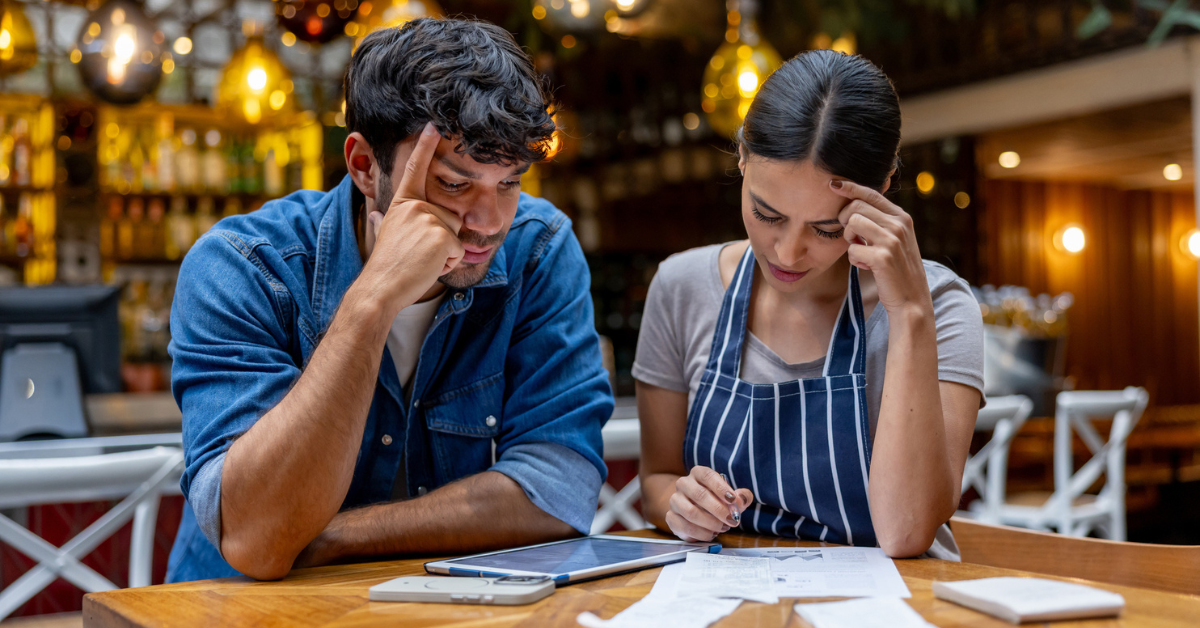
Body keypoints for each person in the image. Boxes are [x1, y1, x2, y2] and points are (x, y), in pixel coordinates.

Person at [165, 18, 613, 582]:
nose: (489, 222)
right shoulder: (243, 266)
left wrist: (328, 538)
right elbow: (258, 538)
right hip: (236, 609)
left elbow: (558, 489)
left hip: (441, 607)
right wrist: (371, 301)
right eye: (454, 183)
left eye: (509, 183)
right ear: (363, 165)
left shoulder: (537, 249)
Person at [633, 50, 984, 559]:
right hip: (731, 592)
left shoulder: (942, 306)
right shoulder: (682, 288)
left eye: (825, 229)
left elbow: (906, 533)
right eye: (767, 215)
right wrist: (682, 504)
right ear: (741, 157)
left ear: (882, 190)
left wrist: (909, 313)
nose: (787, 253)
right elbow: (656, 482)